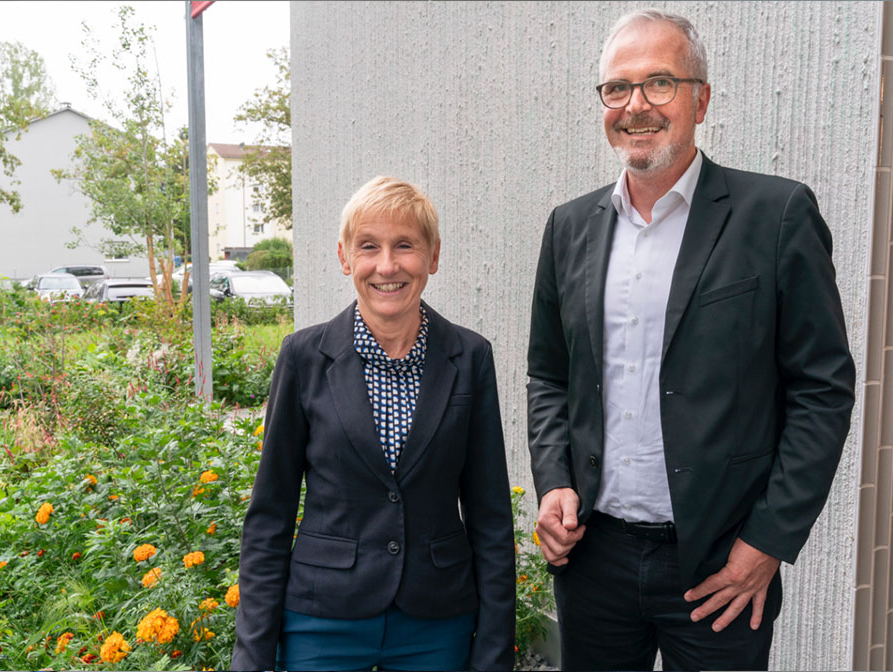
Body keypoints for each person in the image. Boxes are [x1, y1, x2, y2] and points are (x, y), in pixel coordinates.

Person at [526, 8, 855, 671]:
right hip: (594, 559)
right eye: (617, 88)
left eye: (659, 83)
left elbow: (823, 389)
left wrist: (769, 540)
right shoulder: (568, 228)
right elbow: (549, 376)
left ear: (700, 99)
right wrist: (555, 480)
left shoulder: (777, 216)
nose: (635, 105)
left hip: (719, 566)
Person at [231, 176, 515, 672]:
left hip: (436, 620)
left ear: (433, 256)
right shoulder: (304, 358)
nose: (387, 265)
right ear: (345, 258)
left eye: (405, 245)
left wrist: (493, 653)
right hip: (323, 619)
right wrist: (252, 655)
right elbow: (270, 516)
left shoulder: (469, 357)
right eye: (369, 247)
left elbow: (490, 518)